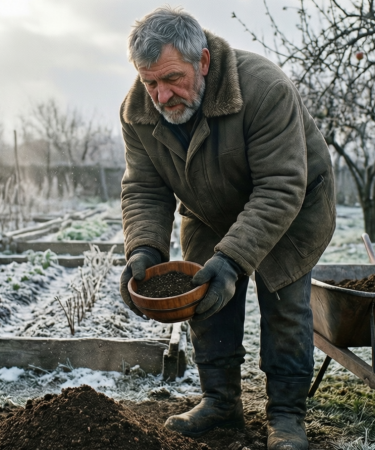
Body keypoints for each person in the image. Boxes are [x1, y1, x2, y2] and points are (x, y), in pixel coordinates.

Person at [118, 7, 336, 450]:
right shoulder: (137, 111)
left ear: (202, 61)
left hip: (291, 206)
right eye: (150, 82)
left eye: (172, 78)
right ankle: (220, 402)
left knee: (285, 306)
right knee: (203, 297)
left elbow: (280, 186)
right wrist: (144, 249)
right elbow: (144, 187)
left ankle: (286, 416)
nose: (161, 95)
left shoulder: (263, 88)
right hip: (207, 208)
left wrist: (233, 260)